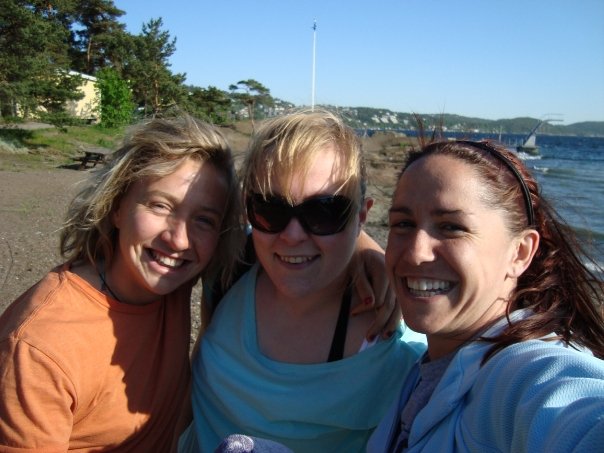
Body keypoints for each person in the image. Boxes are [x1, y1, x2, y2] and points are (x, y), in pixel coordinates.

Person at [179, 110, 426, 453]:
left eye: (324, 211)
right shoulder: (230, 268)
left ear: (361, 217)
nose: (292, 235)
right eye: (270, 208)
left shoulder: (397, 341)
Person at [0, 115, 245, 451]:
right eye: (160, 205)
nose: (178, 239)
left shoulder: (171, 279)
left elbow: (276, 245)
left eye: (203, 220)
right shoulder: (40, 348)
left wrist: (345, 280)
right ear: (116, 206)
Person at [368, 139, 604, 452]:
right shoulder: (426, 368)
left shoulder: (521, 377)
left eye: (451, 227)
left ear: (520, 252)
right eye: (403, 224)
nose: (415, 253)